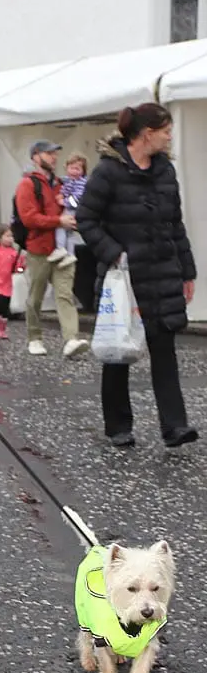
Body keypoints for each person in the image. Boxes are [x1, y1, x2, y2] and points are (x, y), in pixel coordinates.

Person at [77, 103, 198, 449]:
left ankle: (174, 426)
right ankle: (118, 425)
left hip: (162, 273)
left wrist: (187, 271)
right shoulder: (108, 172)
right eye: (165, 130)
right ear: (147, 133)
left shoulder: (165, 171)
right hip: (122, 278)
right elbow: (86, 219)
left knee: (165, 347)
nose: (169, 136)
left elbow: (175, 223)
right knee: (119, 351)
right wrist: (114, 252)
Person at [15, 139, 89, 358]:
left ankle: (71, 339)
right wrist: (59, 221)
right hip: (39, 249)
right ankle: (34, 337)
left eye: (55, 154)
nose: (54, 158)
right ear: (35, 157)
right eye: (49, 154)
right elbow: (29, 218)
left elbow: (70, 206)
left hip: (63, 249)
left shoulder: (61, 184)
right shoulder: (28, 185)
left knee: (65, 294)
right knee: (35, 297)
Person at [49, 152, 88, 267]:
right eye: (71, 168)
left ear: (83, 171)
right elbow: (64, 183)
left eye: (77, 169)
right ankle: (70, 253)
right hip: (73, 208)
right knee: (69, 233)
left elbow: (76, 199)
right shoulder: (70, 180)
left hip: (73, 208)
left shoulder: (81, 182)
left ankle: (60, 248)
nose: (74, 171)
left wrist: (64, 201)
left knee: (60, 225)